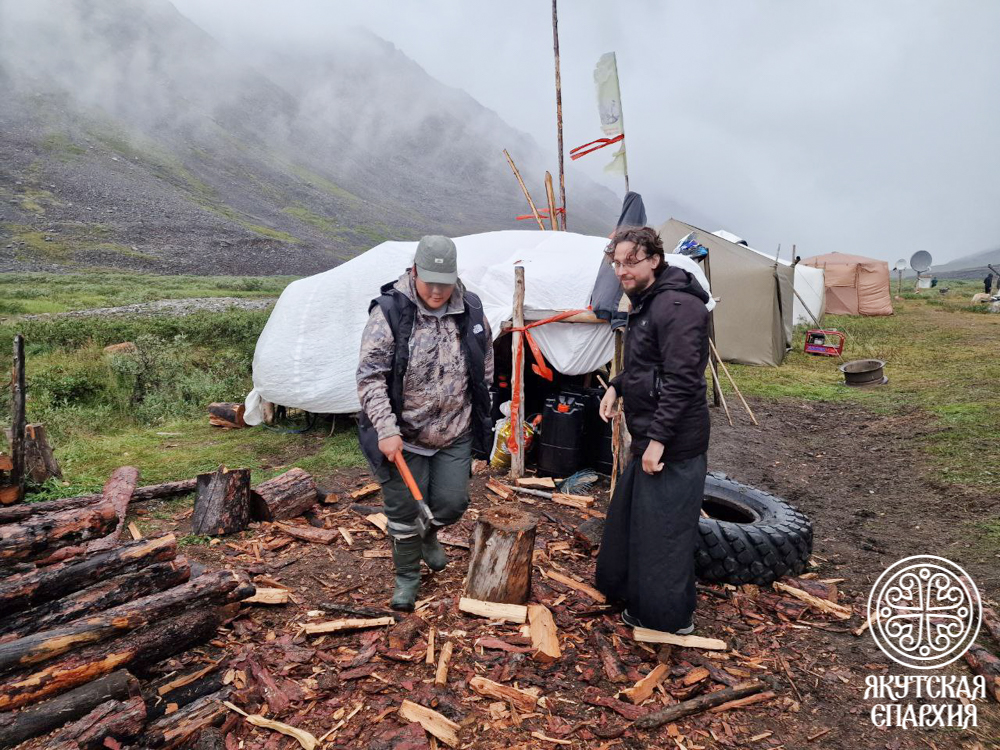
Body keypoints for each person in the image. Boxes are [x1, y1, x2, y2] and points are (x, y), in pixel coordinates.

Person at [356, 235, 494, 611]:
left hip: (454, 430)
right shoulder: (391, 311)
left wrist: (482, 418)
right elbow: (370, 375)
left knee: (452, 503)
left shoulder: (471, 310)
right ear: (414, 271)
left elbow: (484, 369)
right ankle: (407, 579)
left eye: (444, 282)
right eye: (429, 280)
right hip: (402, 435)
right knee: (402, 512)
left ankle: (430, 534)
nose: (436, 290)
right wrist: (385, 428)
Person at [596, 226, 711, 634]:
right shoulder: (648, 301)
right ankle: (633, 596)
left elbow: (683, 381)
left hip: (674, 444)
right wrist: (617, 385)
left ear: (654, 261)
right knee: (637, 522)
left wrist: (659, 441)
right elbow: (646, 366)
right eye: (617, 262)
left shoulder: (678, 306)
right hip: (649, 433)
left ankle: (667, 620)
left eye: (631, 261)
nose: (621, 270)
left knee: (664, 534)